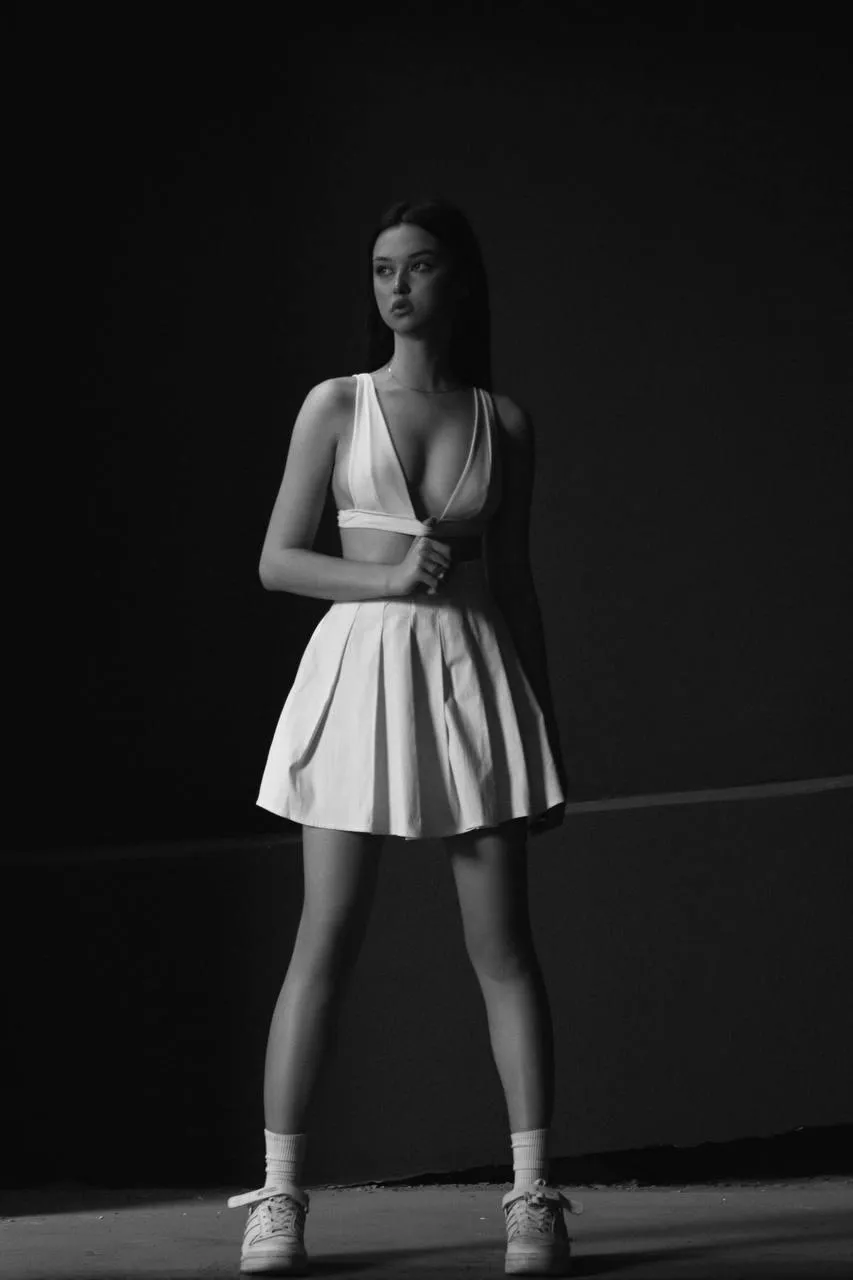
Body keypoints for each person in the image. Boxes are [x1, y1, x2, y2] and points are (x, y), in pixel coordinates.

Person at [227, 197, 582, 1276]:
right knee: (322, 939)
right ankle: (280, 1197)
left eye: (418, 268)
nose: (395, 287)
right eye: (382, 269)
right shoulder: (333, 406)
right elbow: (278, 559)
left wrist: (547, 726)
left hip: (472, 677)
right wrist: (386, 575)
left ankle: (532, 1199)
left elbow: (513, 583)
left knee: (504, 950)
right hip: (360, 672)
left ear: (456, 281)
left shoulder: (502, 420)